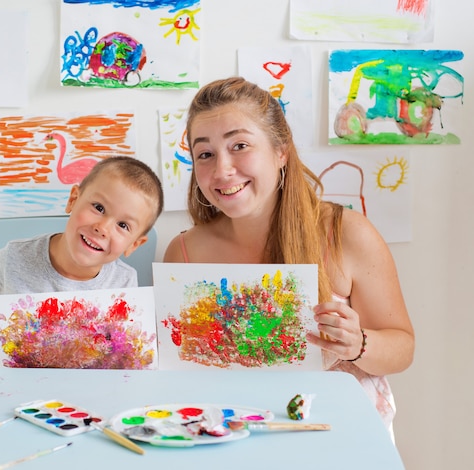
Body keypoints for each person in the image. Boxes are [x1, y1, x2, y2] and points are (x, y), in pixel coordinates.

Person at [163, 77, 414, 437]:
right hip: (231, 437)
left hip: (342, 434)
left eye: (240, 146)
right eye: (205, 154)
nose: (221, 170)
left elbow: (403, 348)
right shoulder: (184, 252)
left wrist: (358, 343)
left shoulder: (346, 233)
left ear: (281, 151)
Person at [0, 156, 164, 357]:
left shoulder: (125, 283)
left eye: (122, 225)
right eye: (99, 208)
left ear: (134, 245)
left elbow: (120, 352)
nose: (102, 228)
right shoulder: (13, 258)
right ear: (73, 200)